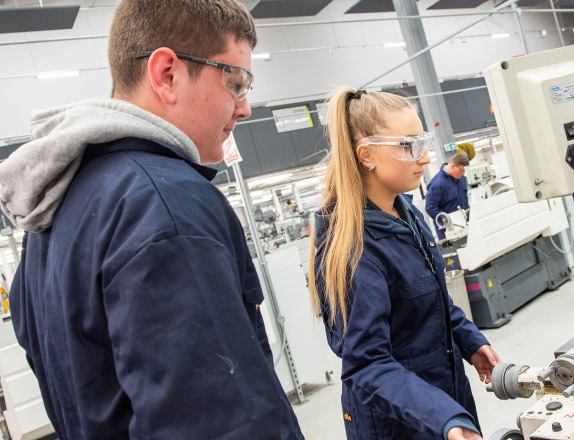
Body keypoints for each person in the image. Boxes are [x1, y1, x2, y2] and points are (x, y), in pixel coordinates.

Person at [0, 1, 304, 438]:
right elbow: (223, 425)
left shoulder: (52, 216)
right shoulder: (165, 204)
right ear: (167, 74)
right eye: (236, 83)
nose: (245, 108)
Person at [309, 87, 500, 440]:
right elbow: (367, 364)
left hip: (443, 399)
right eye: (408, 145)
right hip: (400, 423)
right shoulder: (353, 247)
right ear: (366, 154)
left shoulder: (406, 211)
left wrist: (468, 340)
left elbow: (431, 300)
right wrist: (443, 417)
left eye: (422, 142)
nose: (425, 158)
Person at [425, 153, 471, 240]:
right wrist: (447, 221)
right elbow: (430, 207)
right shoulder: (437, 184)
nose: (463, 174)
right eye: (461, 170)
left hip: (465, 225)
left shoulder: (460, 178)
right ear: (453, 166)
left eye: (464, 171)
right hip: (448, 232)